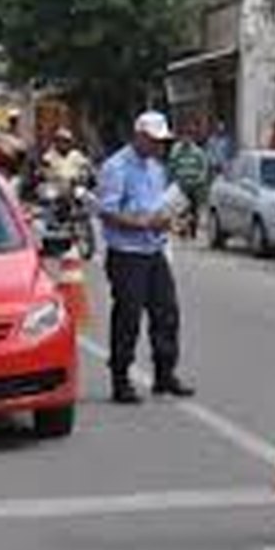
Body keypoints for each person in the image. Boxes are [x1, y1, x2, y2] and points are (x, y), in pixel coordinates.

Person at [98, 111, 196, 405]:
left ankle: (164, 374)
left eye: (162, 141)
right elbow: (107, 212)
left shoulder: (156, 168)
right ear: (139, 136)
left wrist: (169, 219)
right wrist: (142, 223)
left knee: (167, 313)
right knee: (128, 316)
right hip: (127, 253)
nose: (159, 146)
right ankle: (121, 378)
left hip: (154, 249)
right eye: (154, 140)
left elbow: (158, 206)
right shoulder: (116, 167)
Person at [166, 121, 211, 239]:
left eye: (189, 136)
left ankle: (193, 229)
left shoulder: (198, 152)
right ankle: (182, 230)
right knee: (181, 209)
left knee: (194, 208)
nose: (186, 139)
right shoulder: (176, 150)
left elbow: (204, 166)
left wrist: (201, 178)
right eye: (184, 136)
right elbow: (171, 165)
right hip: (181, 185)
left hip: (194, 185)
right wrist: (172, 179)